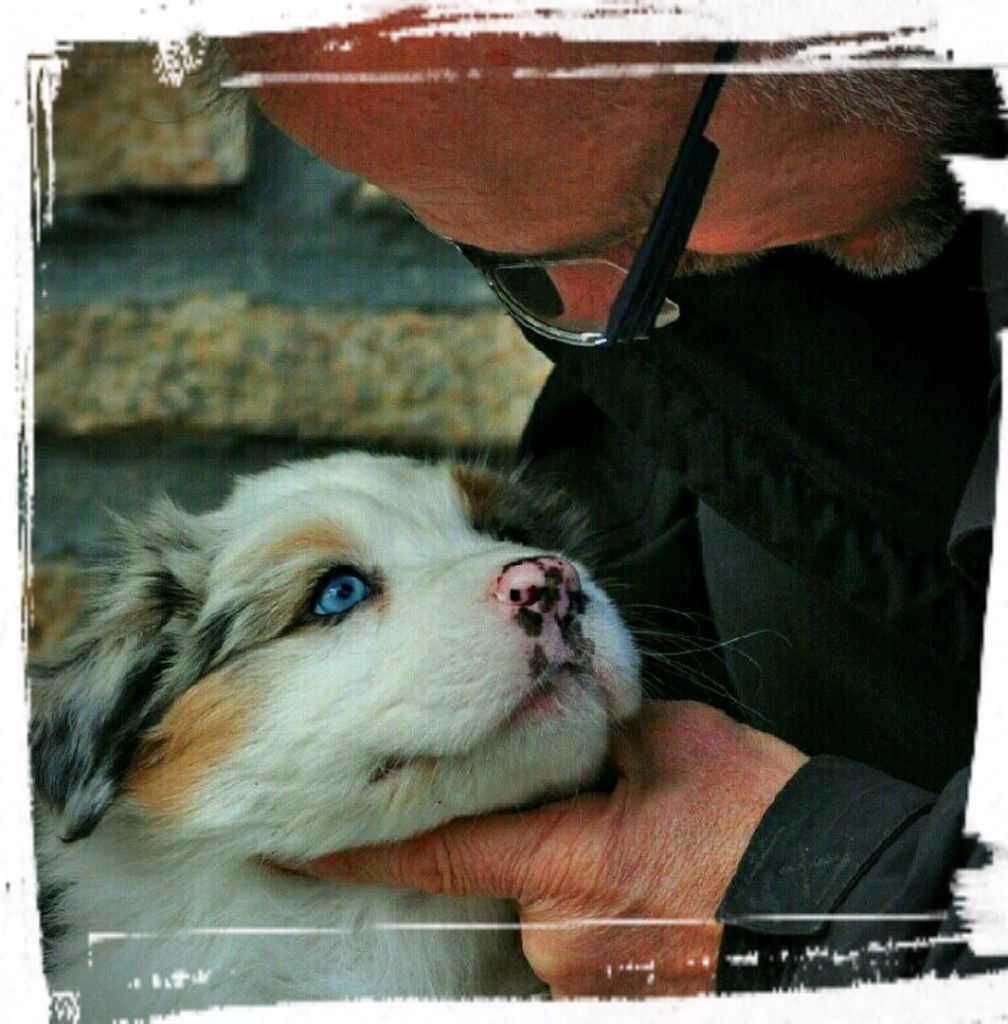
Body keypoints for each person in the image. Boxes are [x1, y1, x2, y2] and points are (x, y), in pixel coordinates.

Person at [226, 20, 1008, 995]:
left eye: (643, 213)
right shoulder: (709, 318)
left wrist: (815, 905)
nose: (600, 314)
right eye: (502, 251)